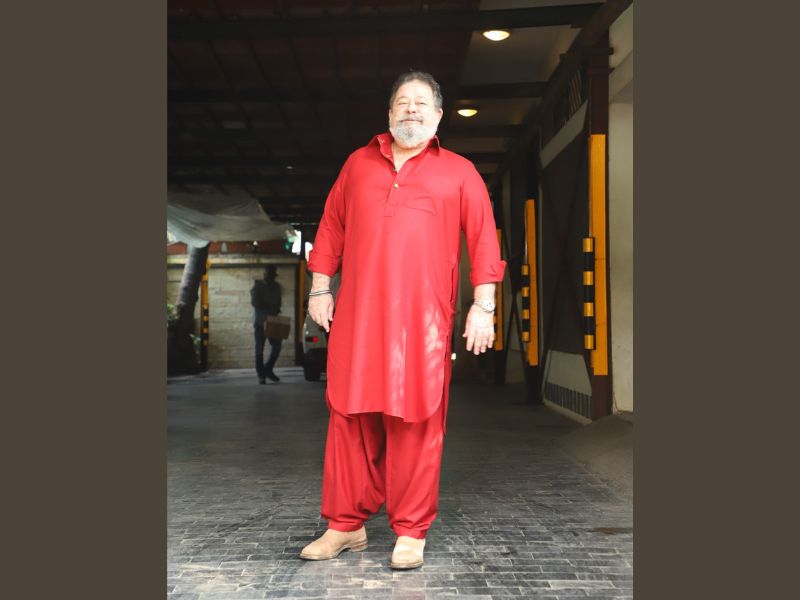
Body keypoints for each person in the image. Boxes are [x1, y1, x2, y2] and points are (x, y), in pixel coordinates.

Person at [300, 71, 505, 570]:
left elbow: (484, 241)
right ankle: (345, 525)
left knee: (417, 420)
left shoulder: (459, 172)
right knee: (348, 416)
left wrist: (484, 306)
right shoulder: (357, 164)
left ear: (438, 116)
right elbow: (331, 226)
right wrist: (321, 288)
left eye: (421, 103)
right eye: (402, 102)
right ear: (389, 113)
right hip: (357, 315)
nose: (410, 109)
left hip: (423, 322)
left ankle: (411, 531)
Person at [251, 265, 283, 384]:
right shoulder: (258, 286)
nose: (271, 277)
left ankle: (268, 369)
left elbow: (278, 303)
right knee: (259, 349)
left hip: (272, 321)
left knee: (277, 346)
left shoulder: (276, 287)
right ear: (265, 274)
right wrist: (270, 306)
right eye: (269, 274)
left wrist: (275, 309)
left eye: (273, 275)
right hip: (260, 322)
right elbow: (255, 302)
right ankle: (261, 374)